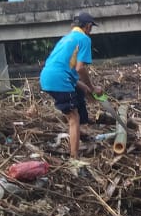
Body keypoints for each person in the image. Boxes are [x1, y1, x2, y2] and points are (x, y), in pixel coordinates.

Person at [40, 12, 103, 160]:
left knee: (80, 94)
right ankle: (74, 159)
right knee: (73, 117)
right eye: (91, 28)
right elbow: (80, 68)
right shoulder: (84, 39)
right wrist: (93, 88)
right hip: (59, 79)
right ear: (88, 27)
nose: (91, 30)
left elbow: (70, 71)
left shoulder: (66, 38)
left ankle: (82, 135)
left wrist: (87, 90)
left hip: (47, 76)